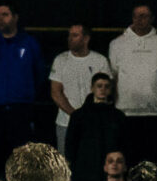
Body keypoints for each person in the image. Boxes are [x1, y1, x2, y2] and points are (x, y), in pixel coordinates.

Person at [0, 3, 50, 181]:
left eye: (5, 14)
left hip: (20, 108)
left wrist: (26, 93)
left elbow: (39, 73)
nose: (1, 19)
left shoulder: (29, 43)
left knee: (20, 156)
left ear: (15, 17)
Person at [107, 5, 157, 169]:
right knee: (129, 160)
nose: (140, 19)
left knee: (152, 161)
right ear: (132, 18)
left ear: (152, 19)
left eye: (144, 16)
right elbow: (113, 76)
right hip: (125, 112)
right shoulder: (117, 43)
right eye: (137, 16)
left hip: (154, 112)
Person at [46, 22, 111, 151]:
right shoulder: (60, 60)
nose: (70, 38)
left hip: (94, 124)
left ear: (86, 38)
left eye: (75, 35)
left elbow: (106, 90)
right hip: (66, 123)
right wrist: (75, 115)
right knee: (66, 164)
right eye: (69, 35)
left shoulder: (100, 60)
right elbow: (56, 92)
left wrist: (90, 115)